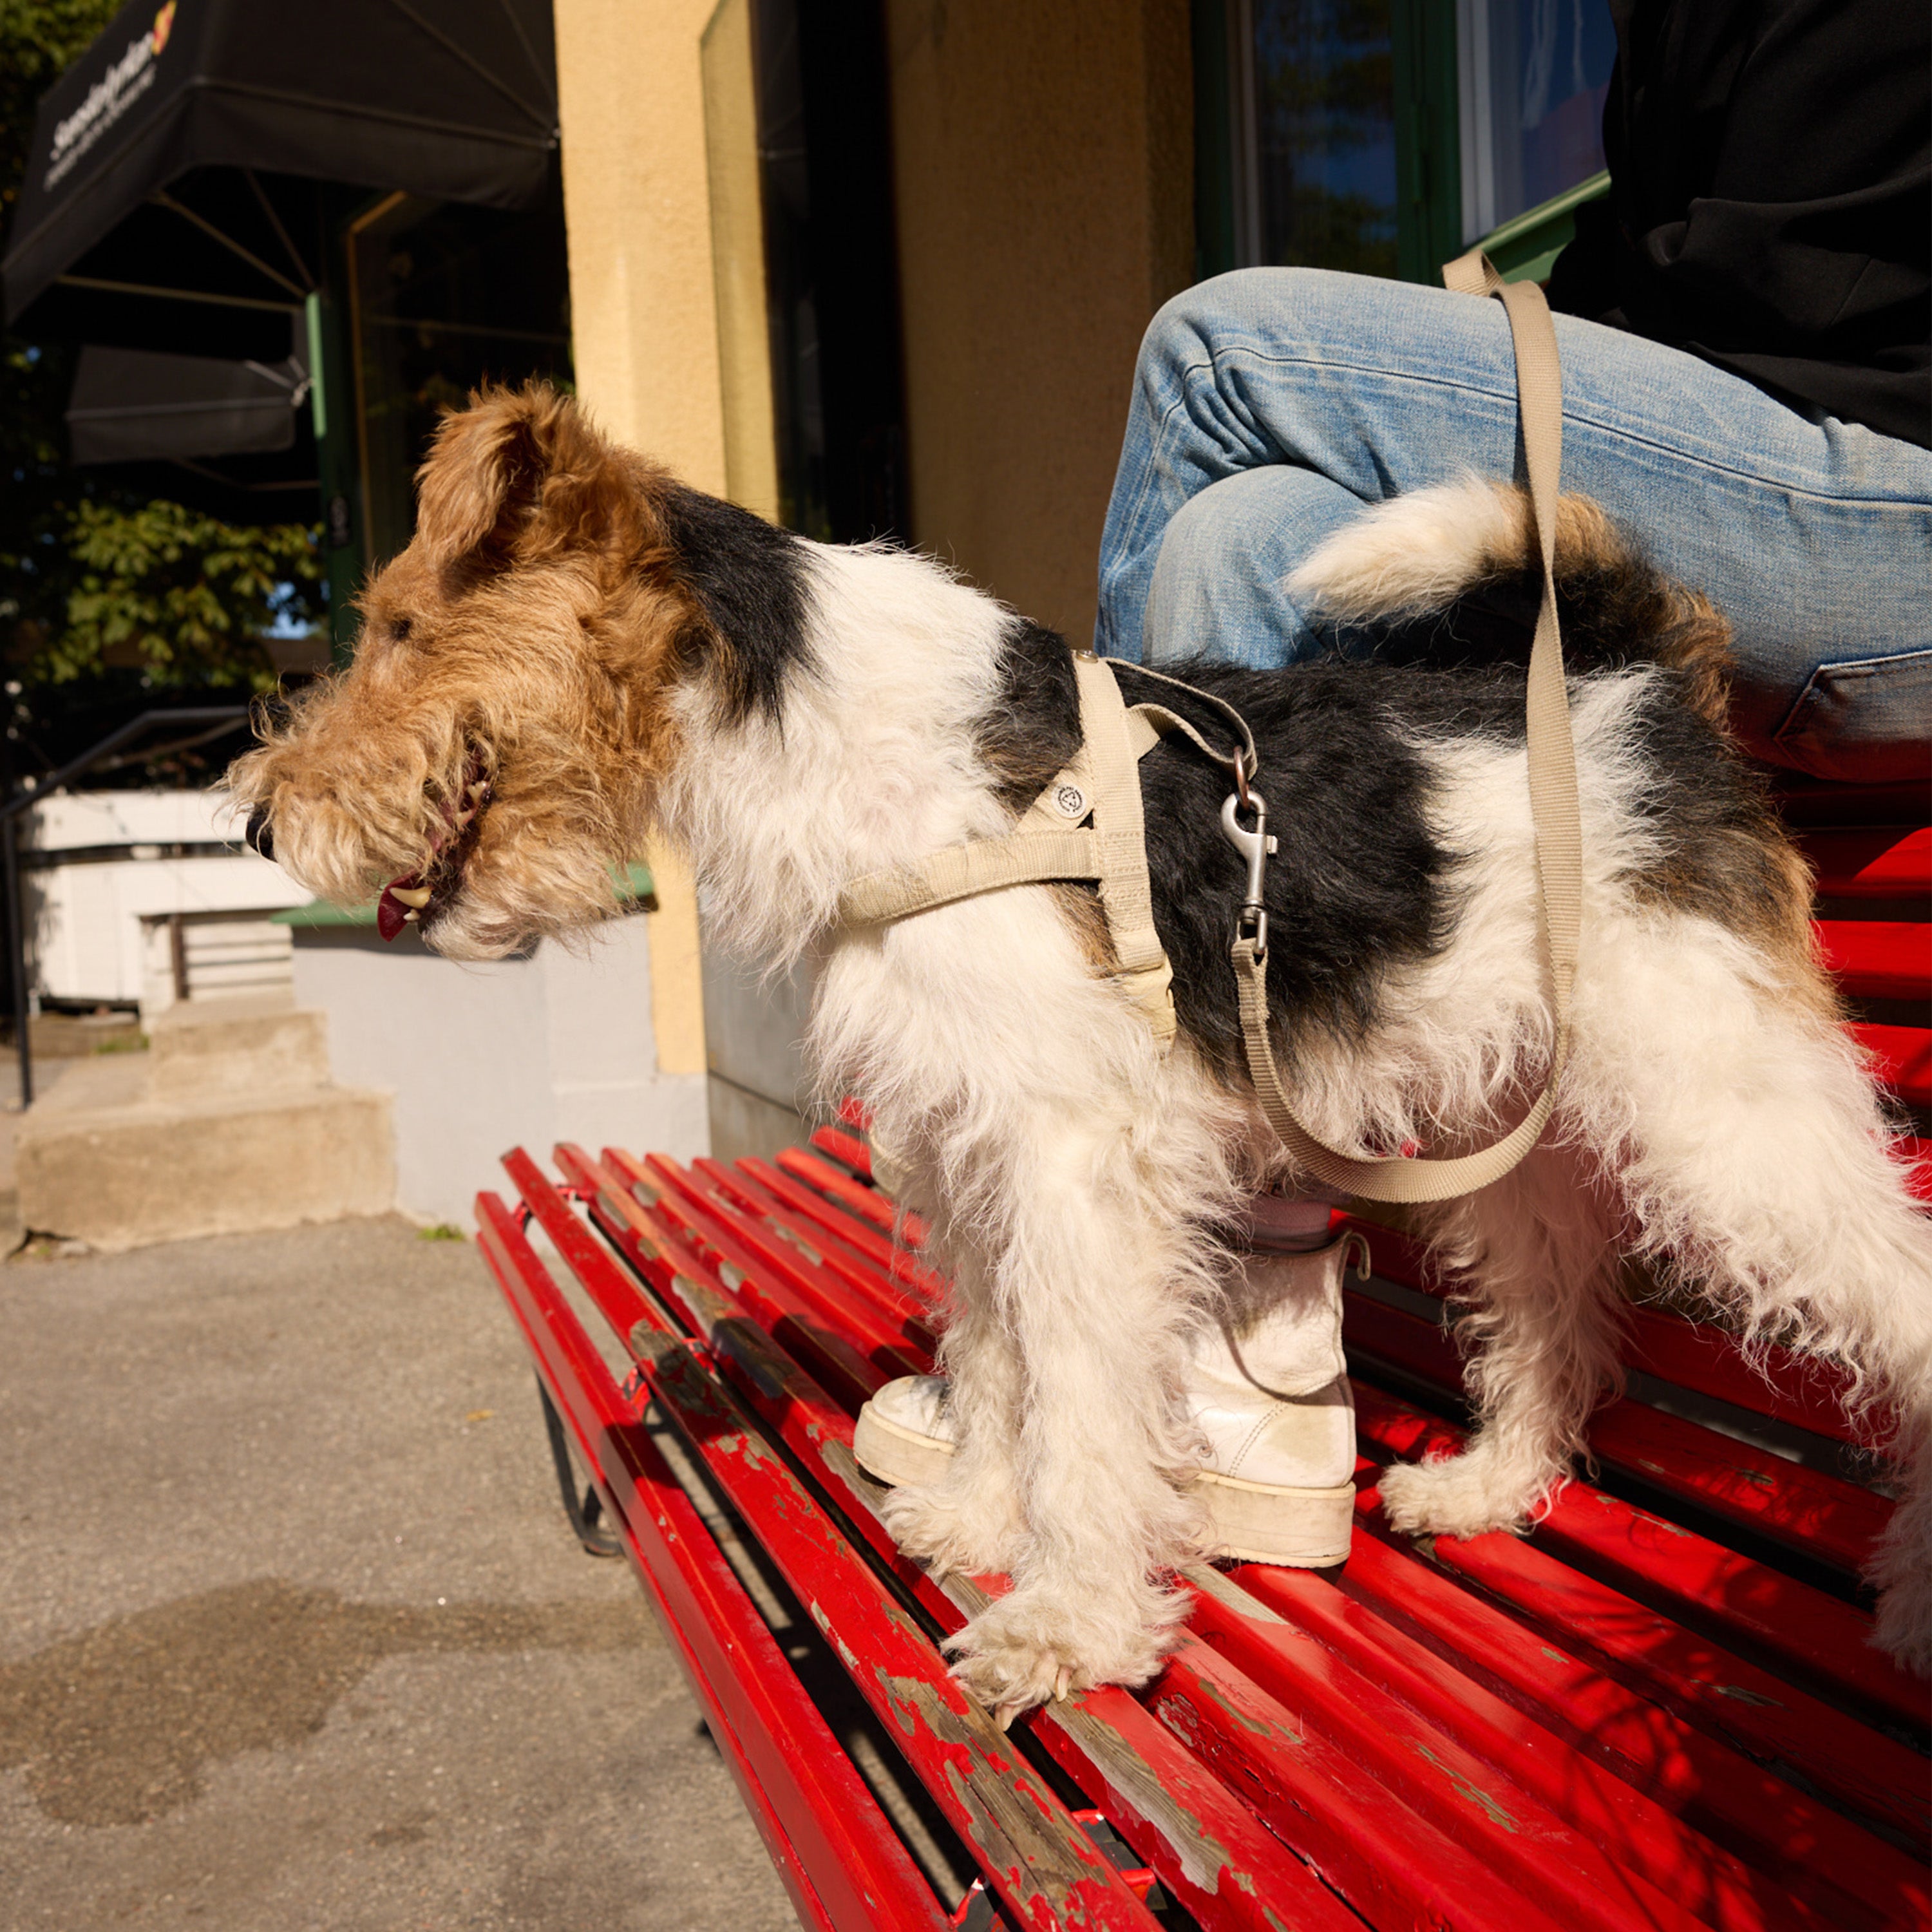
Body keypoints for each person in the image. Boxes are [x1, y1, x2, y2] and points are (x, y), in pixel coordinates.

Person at [1094, 0, 1930, 783]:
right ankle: (1233, 923)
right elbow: (1634, 274)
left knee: (1208, 355)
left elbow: (1774, 289)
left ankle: (1097, 875)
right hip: (1788, 483)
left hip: (1893, 519)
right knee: (1236, 537)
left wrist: (1449, 384)